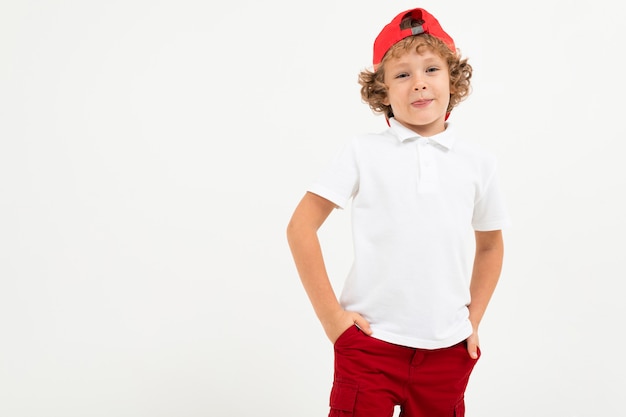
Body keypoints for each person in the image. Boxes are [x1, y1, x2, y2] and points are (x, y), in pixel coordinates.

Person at [286, 6, 510, 417]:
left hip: (447, 352)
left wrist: (472, 321)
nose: (419, 84)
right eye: (403, 74)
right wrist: (332, 319)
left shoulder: (479, 163)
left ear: (452, 78)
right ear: (383, 90)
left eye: (431, 69)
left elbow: (491, 247)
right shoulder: (362, 152)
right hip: (369, 347)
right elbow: (301, 227)